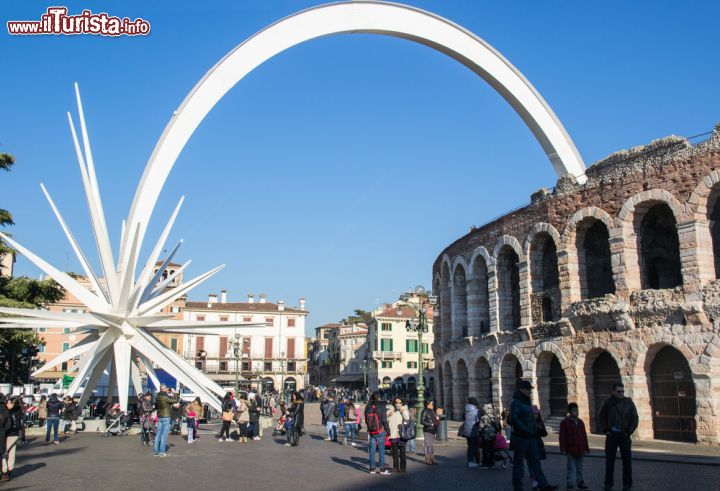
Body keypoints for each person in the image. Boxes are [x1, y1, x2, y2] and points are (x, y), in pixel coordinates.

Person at [510, 380, 557, 491]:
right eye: (528, 389)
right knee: (518, 464)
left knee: (535, 462)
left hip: (530, 437)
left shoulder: (526, 401)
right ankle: (518, 487)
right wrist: (526, 430)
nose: (530, 391)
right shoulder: (516, 402)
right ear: (522, 389)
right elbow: (515, 420)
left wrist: (534, 430)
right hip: (521, 437)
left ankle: (543, 485)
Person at [598, 382, 638, 491]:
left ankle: (627, 484)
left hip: (624, 434)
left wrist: (629, 431)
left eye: (622, 391)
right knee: (609, 461)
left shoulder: (629, 402)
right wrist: (606, 430)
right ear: (613, 391)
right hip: (612, 434)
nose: (621, 393)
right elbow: (601, 416)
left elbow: (635, 418)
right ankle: (608, 483)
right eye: (618, 391)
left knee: (627, 460)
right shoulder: (607, 402)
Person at [559, 402, 589, 490]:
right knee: (570, 468)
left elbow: (584, 436)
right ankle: (570, 483)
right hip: (570, 448)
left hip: (580, 448)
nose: (577, 412)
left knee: (580, 468)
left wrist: (586, 447)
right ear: (570, 412)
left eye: (577, 410)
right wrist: (563, 449)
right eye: (575, 411)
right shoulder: (565, 422)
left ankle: (580, 482)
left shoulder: (580, 422)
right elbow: (562, 437)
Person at [365, 391, 391, 474]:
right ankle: (382, 469)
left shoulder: (368, 406)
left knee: (372, 450)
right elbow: (384, 420)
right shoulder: (381, 406)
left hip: (371, 431)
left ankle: (372, 468)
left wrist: (369, 428)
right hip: (380, 431)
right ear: (379, 397)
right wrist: (388, 431)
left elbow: (366, 419)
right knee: (381, 450)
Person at [153, 384, 179, 457]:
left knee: (158, 434)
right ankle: (162, 452)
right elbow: (175, 400)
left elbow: (156, 406)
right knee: (164, 434)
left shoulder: (157, 396)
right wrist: (175, 393)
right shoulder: (165, 396)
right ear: (164, 389)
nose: (167, 389)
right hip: (166, 416)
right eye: (166, 388)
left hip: (160, 416)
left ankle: (156, 451)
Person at [1, 396, 22, 482]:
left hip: (9, 434)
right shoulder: (19, 411)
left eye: (8, 402)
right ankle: (9, 470)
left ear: (13, 404)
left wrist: (3, 431)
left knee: (3, 452)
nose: (7, 404)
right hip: (16, 434)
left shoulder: (8, 412)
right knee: (11, 453)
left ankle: (4, 471)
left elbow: (8, 425)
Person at [387, 397, 410, 473]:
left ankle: (403, 467)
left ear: (402, 403)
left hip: (402, 434)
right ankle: (395, 467)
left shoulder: (404, 410)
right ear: (394, 403)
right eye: (396, 402)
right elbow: (386, 420)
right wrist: (388, 415)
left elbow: (407, 419)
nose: (398, 404)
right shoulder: (391, 410)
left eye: (400, 402)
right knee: (394, 452)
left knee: (402, 452)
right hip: (393, 434)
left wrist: (402, 411)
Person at [479, 403, 501, 468]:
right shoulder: (494, 417)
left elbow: (481, 427)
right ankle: (492, 463)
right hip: (493, 436)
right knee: (492, 450)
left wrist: (481, 433)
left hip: (485, 436)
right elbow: (498, 427)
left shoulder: (484, 417)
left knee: (485, 450)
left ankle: (485, 463)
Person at [461, 397, 481, 468]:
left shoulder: (466, 410)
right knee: (475, 446)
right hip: (474, 430)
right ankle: (473, 461)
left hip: (467, 430)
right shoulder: (477, 411)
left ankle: (472, 461)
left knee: (470, 446)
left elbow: (463, 418)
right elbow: (479, 421)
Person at [421, 400, 440, 465]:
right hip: (427, 430)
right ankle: (427, 459)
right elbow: (422, 421)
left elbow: (435, 418)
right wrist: (431, 424)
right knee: (427, 445)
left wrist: (437, 418)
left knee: (431, 445)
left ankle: (432, 459)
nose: (433, 405)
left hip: (433, 430)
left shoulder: (432, 411)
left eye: (433, 404)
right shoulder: (424, 411)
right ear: (427, 404)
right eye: (432, 404)